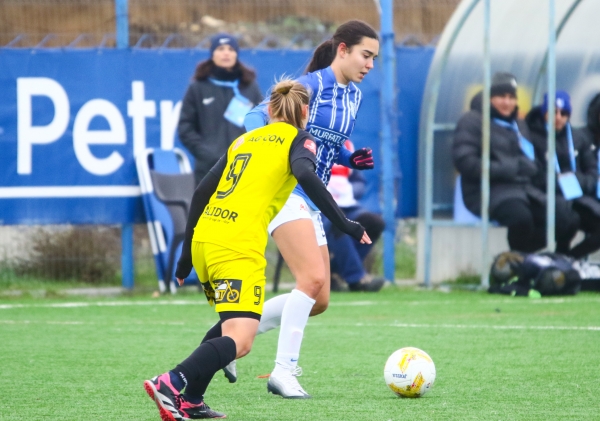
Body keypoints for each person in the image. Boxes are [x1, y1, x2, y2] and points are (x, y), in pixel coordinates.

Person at [143, 79, 370, 421]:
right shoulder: (300, 138)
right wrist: (345, 223)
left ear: (270, 110)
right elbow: (306, 175)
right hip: (236, 244)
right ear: (304, 111)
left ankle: (191, 399)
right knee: (242, 340)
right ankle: (171, 381)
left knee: (231, 324)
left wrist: (186, 255)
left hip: (206, 239)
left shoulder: (244, 140)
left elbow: (202, 192)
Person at [239, 20, 380, 398]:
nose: (370, 65)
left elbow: (327, 144)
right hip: (286, 191)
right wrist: (269, 153)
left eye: (374, 58)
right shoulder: (310, 86)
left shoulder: (354, 96)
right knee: (312, 280)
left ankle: (228, 337)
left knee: (319, 300)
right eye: (365, 55)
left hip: (312, 198)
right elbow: (253, 118)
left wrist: (350, 158)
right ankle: (283, 372)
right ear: (343, 50)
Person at [452, 72, 579, 253]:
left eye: (511, 97)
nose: (507, 102)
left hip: (524, 189)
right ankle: (517, 263)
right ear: (489, 98)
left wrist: (534, 168)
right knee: (521, 219)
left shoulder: (519, 124)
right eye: (501, 96)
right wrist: (511, 168)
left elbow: (530, 160)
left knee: (567, 219)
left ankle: (521, 259)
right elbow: (465, 162)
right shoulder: (472, 121)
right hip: (489, 191)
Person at [178, 32, 264, 185]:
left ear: (236, 54)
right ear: (212, 54)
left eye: (231, 49)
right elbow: (185, 127)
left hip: (245, 166)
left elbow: (263, 122)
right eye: (221, 49)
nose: (226, 53)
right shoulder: (198, 87)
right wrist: (206, 153)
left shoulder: (250, 87)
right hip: (209, 170)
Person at [526, 91, 600, 258]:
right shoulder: (532, 137)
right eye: (553, 112)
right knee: (569, 221)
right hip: (548, 198)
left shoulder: (577, 137)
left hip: (577, 196)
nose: (558, 117)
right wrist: (559, 181)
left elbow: (592, 172)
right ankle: (557, 260)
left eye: (563, 113)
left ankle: (569, 260)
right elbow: (533, 174)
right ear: (544, 112)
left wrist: (576, 179)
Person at [323, 139, 385, 292]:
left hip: (347, 205)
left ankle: (335, 271)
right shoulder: (307, 142)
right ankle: (357, 278)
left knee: (375, 223)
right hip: (318, 207)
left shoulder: (346, 145)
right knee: (339, 223)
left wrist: (348, 190)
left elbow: (359, 182)